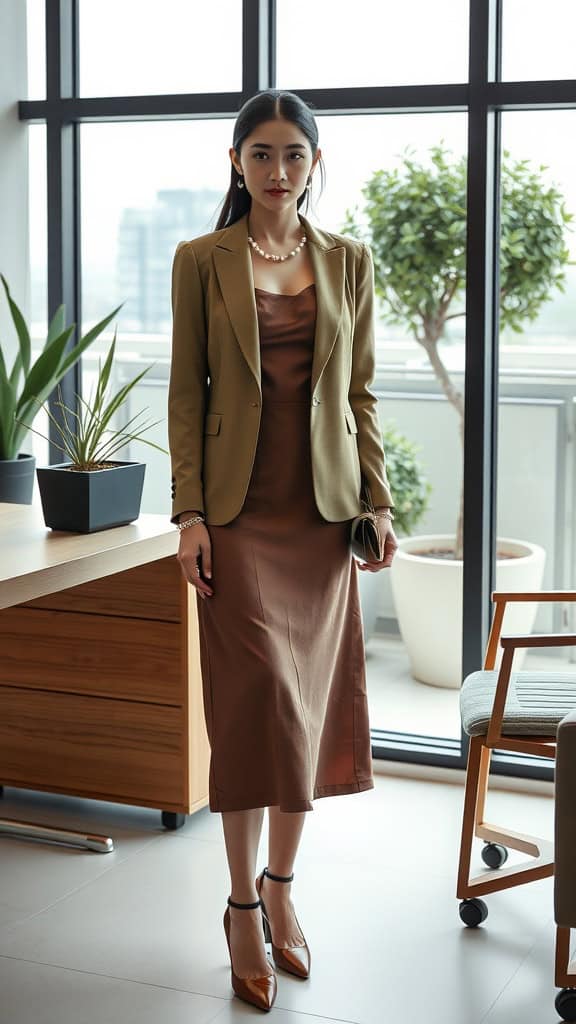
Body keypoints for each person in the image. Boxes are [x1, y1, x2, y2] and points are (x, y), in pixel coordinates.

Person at [168, 89, 397, 1012]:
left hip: (320, 517)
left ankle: (282, 892)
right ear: (236, 163)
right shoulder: (201, 262)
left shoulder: (349, 261)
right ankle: (236, 906)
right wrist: (188, 516)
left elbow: (363, 396)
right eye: (260, 154)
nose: (277, 170)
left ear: (313, 163)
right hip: (236, 515)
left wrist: (379, 502)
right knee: (253, 703)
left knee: (302, 710)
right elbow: (187, 396)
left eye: (293, 154)